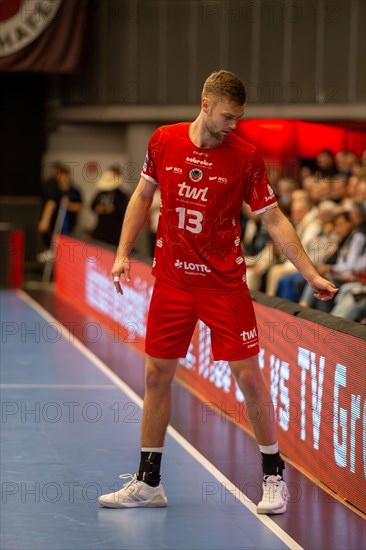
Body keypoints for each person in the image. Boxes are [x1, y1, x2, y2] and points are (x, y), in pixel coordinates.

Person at [99, 70, 337, 514]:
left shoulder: (245, 156)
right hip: (172, 281)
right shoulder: (163, 141)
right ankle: (149, 482)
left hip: (223, 285)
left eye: (239, 118)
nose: (233, 125)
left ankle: (273, 475)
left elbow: (274, 219)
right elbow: (141, 196)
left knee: (249, 377)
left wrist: (308, 272)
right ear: (205, 104)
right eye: (228, 116)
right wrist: (122, 254)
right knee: (155, 375)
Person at [38, 164, 82, 254]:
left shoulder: (74, 191)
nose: (64, 178)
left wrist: (68, 205)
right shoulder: (55, 190)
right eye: (61, 175)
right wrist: (45, 220)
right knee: (54, 247)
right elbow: (50, 204)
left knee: (67, 249)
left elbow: (79, 206)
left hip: (69, 227)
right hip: (55, 225)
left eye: (66, 175)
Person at [90, 167, 129, 246]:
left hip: (115, 233)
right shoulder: (101, 193)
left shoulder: (122, 196)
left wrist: (114, 210)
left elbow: (125, 211)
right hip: (100, 230)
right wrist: (98, 208)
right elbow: (92, 205)